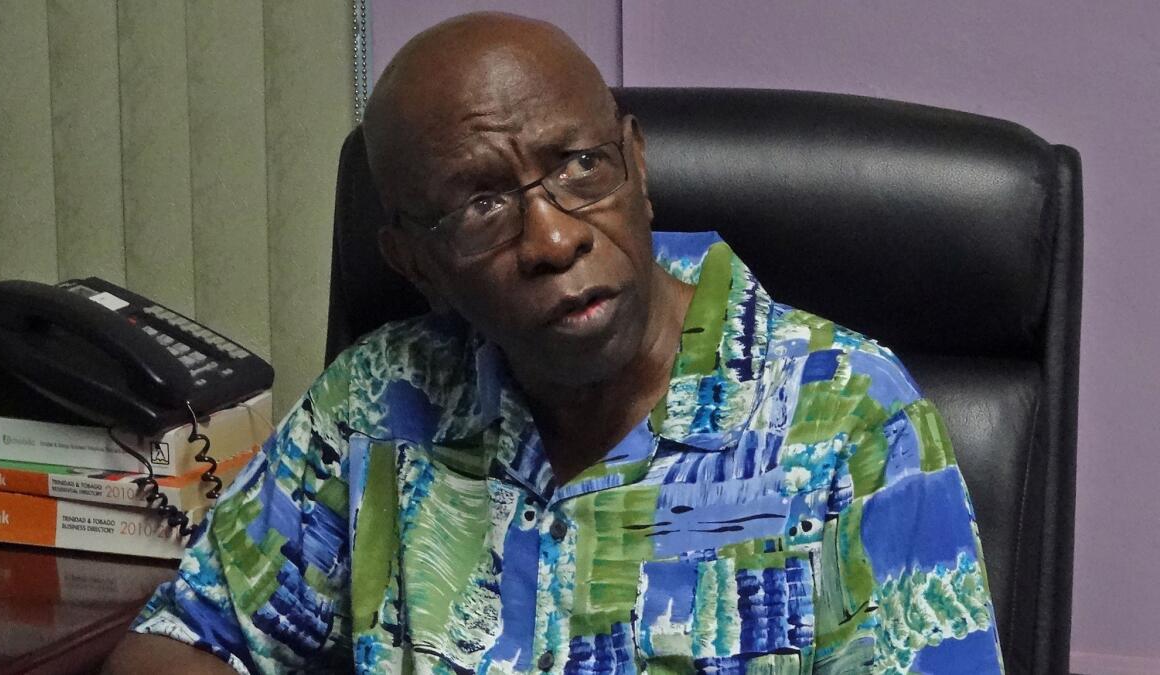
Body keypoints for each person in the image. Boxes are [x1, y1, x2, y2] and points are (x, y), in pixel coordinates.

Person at [107, 12, 1003, 674]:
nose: (553, 238)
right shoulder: (382, 399)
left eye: (580, 167)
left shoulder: (845, 415)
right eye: (482, 205)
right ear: (414, 260)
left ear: (637, 167)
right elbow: (172, 648)